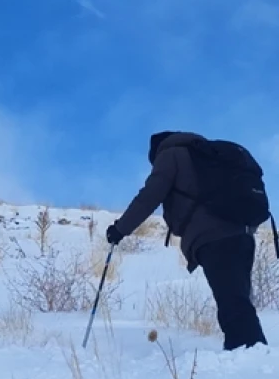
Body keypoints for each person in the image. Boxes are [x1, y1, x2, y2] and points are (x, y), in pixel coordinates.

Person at [106, 131, 268, 351]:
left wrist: (120, 229)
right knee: (236, 299)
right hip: (243, 234)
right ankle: (252, 352)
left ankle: (249, 354)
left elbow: (150, 196)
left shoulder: (171, 155)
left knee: (232, 302)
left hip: (212, 237)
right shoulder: (208, 155)